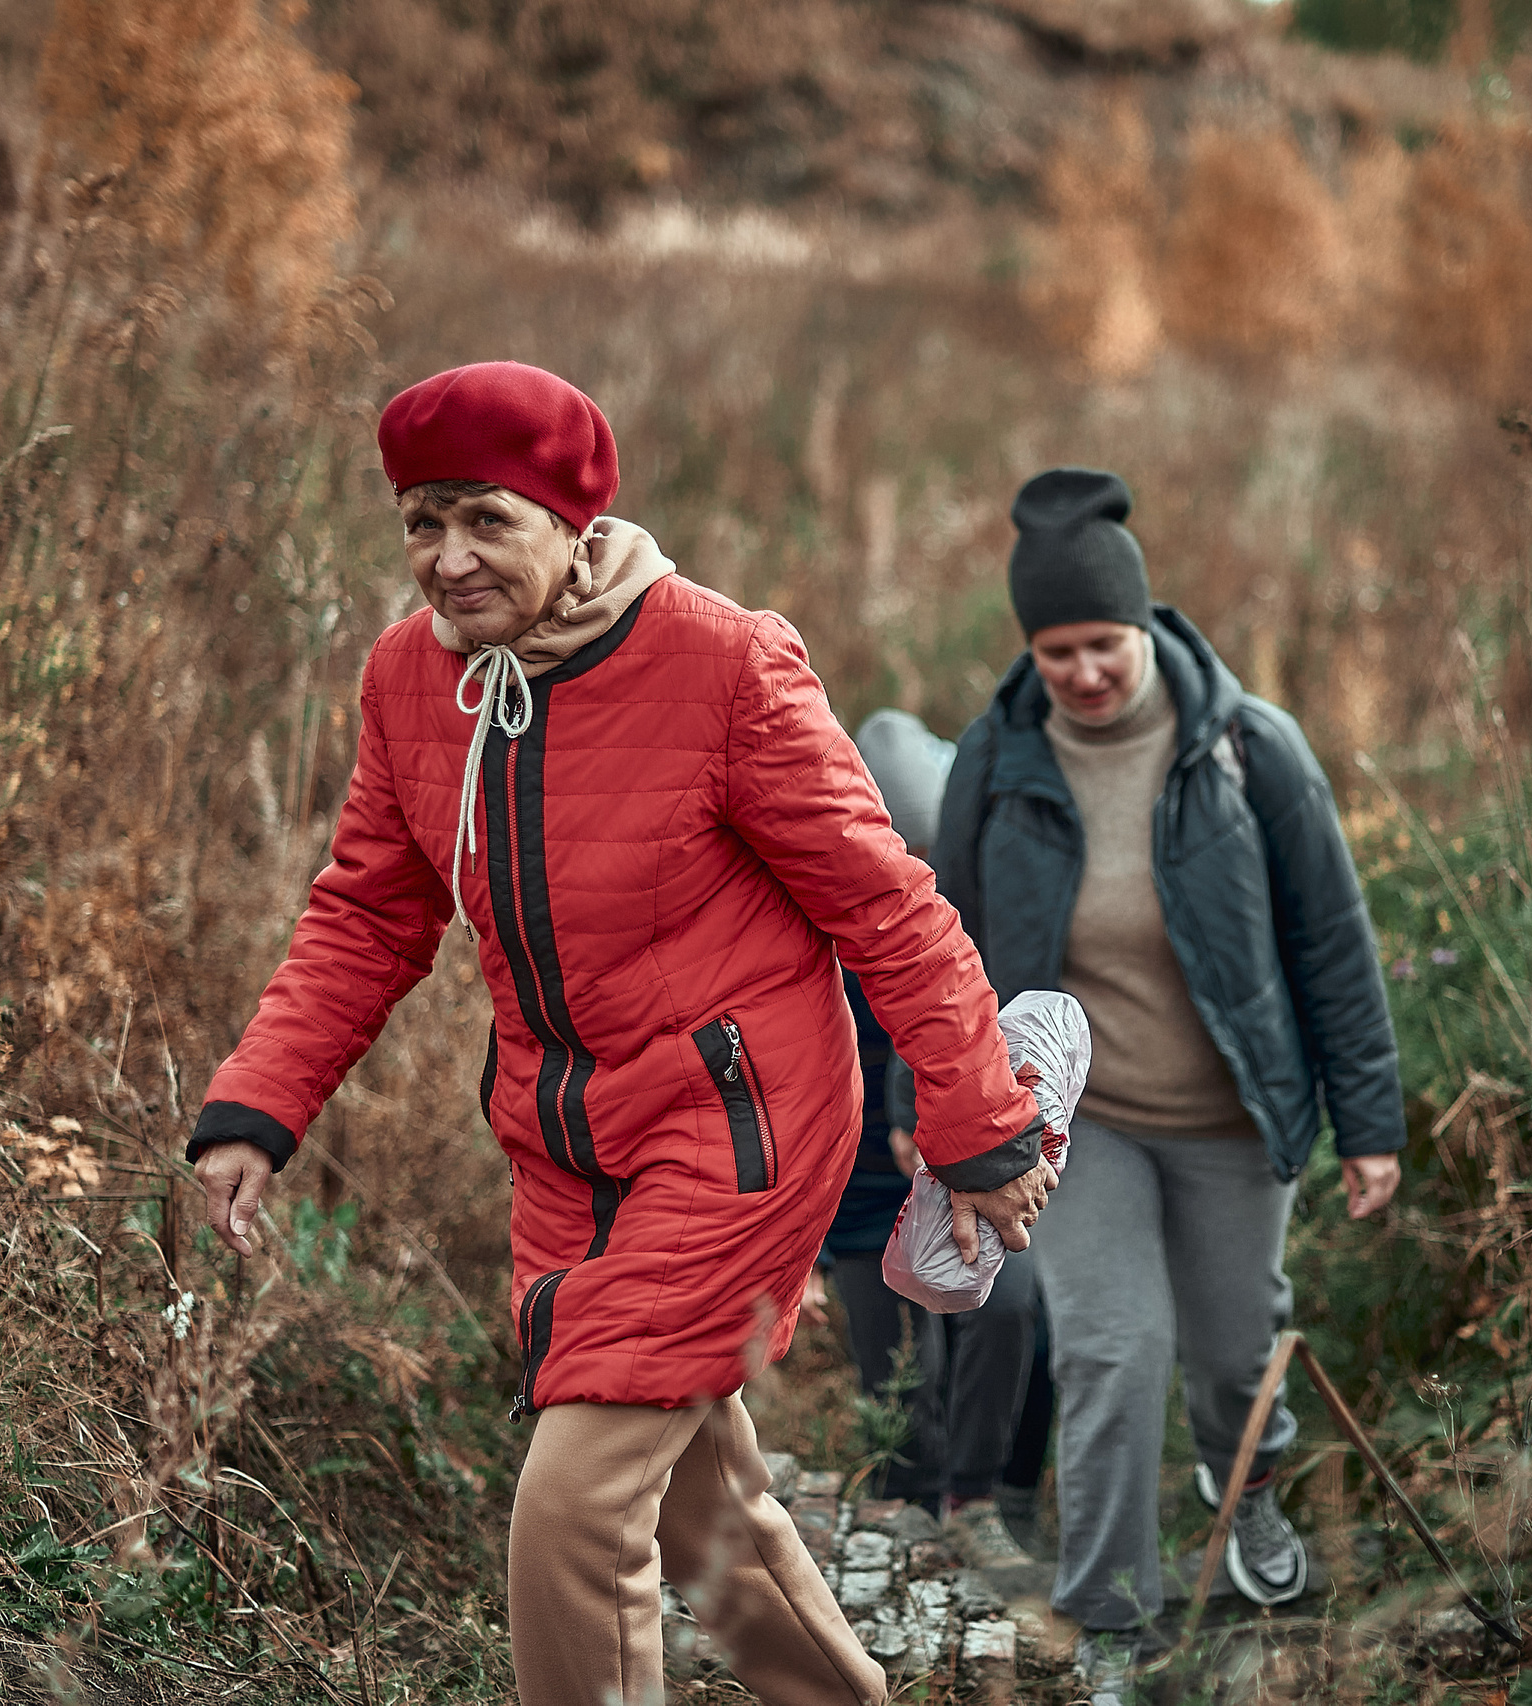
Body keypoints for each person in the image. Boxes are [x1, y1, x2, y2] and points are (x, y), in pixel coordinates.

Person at [183, 362, 1059, 1706]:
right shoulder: (412, 680)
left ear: (571, 520)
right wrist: (260, 1103)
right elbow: (367, 910)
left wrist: (980, 1124)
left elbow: (888, 906)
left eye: (487, 519)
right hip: (564, 1150)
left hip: (741, 1134)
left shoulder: (723, 662)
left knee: (576, 1507)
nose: (449, 558)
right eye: (422, 522)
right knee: (704, 1514)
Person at [931, 468, 1405, 1695]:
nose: (1085, 671)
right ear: (1030, 648)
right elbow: (939, 951)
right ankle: (1110, 1614)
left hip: (1233, 1115)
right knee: (1111, 1344)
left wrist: (1369, 1122)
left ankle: (1247, 1487)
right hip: (1078, 1119)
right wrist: (921, 1113)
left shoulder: (1249, 747)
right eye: (1057, 651)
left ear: (1143, 624)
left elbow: (1332, 941)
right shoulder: (997, 759)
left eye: (1105, 642)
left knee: (1237, 1353)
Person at [806, 711, 1046, 1595]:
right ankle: (912, 1532)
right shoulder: (810, 924)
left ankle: (979, 1500)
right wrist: (803, 1245)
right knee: (903, 1384)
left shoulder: (968, 918)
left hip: (966, 1172)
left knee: (1008, 1313)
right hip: (862, 1196)